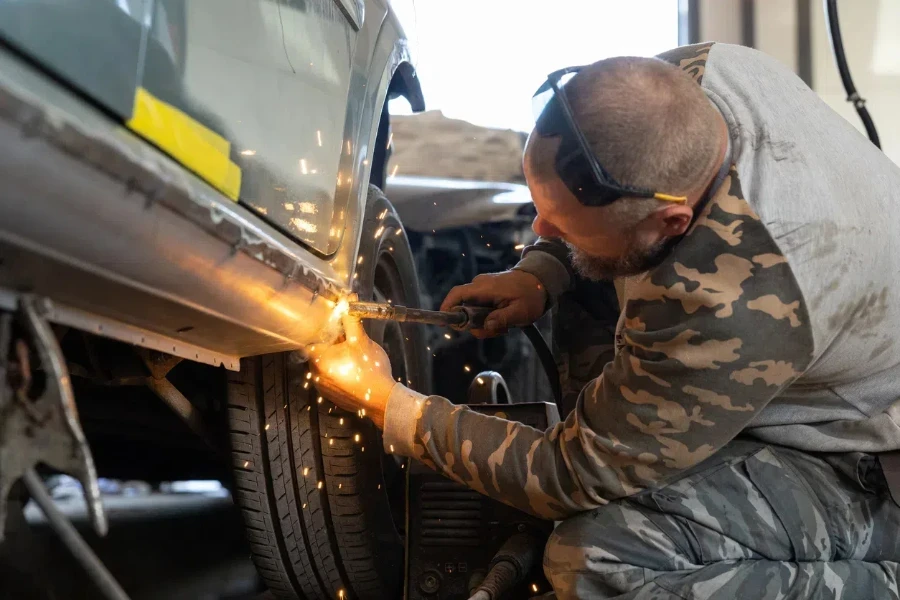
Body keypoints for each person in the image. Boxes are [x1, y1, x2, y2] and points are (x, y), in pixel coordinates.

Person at [312, 42, 900, 599]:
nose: (537, 230)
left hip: (872, 470)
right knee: (599, 275)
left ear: (672, 223)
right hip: (803, 364)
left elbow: (567, 475)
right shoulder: (684, 81)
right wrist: (542, 272)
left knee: (598, 554)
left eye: (557, 227)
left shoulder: (735, 298)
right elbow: (598, 214)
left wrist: (391, 406)